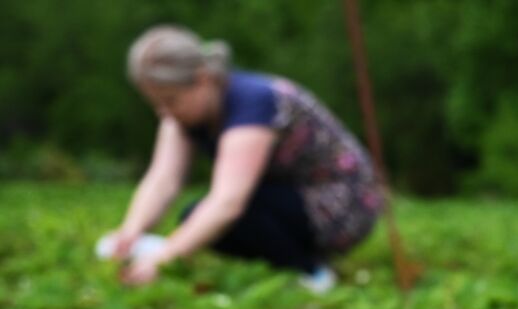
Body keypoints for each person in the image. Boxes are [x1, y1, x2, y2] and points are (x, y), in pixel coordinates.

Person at [103, 26, 382, 291]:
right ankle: (295, 267)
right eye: (156, 103)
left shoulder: (252, 102)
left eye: (171, 100)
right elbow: (163, 179)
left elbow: (228, 202)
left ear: (202, 78)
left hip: (344, 203)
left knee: (213, 217)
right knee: (200, 218)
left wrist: (164, 257)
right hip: (286, 199)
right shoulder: (184, 115)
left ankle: (310, 273)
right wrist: (131, 232)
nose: (163, 112)